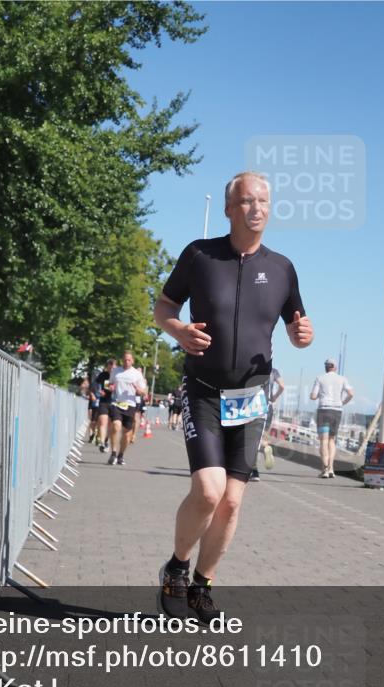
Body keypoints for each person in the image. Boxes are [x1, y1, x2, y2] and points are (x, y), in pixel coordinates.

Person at [153, 171, 313, 622]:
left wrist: (302, 336)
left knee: (232, 501)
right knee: (209, 490)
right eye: (246, 200)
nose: (255, 208)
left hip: (251, 398)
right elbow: (163, 307)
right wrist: (177, 329)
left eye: (262, 201)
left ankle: (202, 585)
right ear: (229, 209)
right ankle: (177, 567)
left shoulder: (282, 268)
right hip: (203, 390)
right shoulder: (199, 255)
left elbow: (297, 329)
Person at [309, 358, 353, 478]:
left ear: (326, 367)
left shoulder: (320, 378)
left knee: (323, 440)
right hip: (337, 411)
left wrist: (317, 395)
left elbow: (313, 396)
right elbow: (351, 393)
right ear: (335, 367)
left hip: (324, 410)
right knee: (331, 440)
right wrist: (342, 402)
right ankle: (331, 469)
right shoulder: (342, 379)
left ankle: (325, 470)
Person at [106, 351, 148, 466]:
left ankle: (121, 455)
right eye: (125, 360)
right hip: (117, 403)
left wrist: (139, 390)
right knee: (116, 426)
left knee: (127, 434)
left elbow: (144, 392)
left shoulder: (137, 374)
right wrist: (110, 387)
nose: (126, 362)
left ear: (132, 361)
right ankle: (113, 453)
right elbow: (109, 383)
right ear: (122, 360)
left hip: (130, 405)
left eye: (129, 360)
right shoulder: (116, 371)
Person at [250, 367, 284, 481]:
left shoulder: (254, 369)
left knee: (252, 439)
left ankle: (254, 471)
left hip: (254, 405)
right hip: (268, 406)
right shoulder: (274, 371)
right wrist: (274, 397)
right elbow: (282, 386)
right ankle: (266, 446)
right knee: (263, 437)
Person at [95, 359, 115, 452]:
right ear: (107, 367)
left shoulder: (118, 376)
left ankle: (106, 439)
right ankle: (102, 443)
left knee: (111, 424)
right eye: (109, 367)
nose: (111, 369)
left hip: (114, 402)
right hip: (104, 401)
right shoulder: (103, 375)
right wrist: (99, 391)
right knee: (103, 422)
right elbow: (96, 385)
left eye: (113, 367)